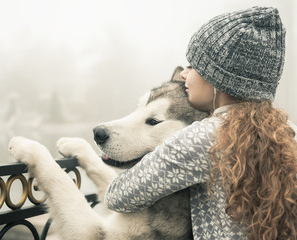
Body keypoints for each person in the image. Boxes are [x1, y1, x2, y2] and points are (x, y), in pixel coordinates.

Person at [104, 6, 297, 240]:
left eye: (193, 66)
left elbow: (118, 197)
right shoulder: (288, 134)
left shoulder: (203, 138)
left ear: (219, 79)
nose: (184, 75)